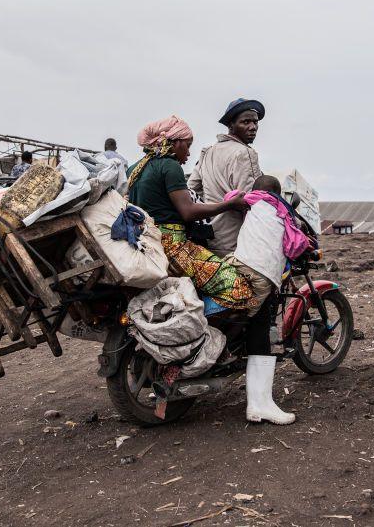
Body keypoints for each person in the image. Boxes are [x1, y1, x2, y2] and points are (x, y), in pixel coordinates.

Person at [126, 115, 252, 313]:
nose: (189, 151)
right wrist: (229, 204)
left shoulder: (135, 168)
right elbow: (188, 211)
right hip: (173, 246)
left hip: (145, 245)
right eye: (187, 144)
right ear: (175, 143)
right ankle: (197, 324)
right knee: (238, 288)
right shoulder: (169, 165)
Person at [224, 174, 310, 425]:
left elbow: (231, 197)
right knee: (252, 322)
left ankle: (258, 402)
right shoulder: (283, 210)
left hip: (237, 263)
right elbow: (295, 246)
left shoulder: (250, 200)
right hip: (262, 274)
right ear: (279, 193)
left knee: (248, 318)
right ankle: (259, 404)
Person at [187, 98, 264, 257]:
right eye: (246, 122)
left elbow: (191, 189)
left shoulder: (208, 151)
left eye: (255, 122)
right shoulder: (245, 153)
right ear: (231, 125)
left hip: (210, 237)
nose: (253, 127)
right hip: (237, 241)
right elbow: (253, 201)